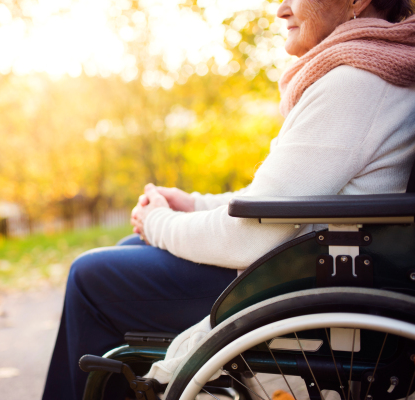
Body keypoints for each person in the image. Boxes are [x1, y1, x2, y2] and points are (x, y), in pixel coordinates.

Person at [42, 0, 415, 398]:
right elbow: (280, 201)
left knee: (91, 276)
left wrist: (158, 222)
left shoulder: (356, 83)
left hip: (309, 283)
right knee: (128, 250)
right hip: (324, 265)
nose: (281, 10)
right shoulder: (379, 69)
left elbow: (250, 236)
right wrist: (192, 203)